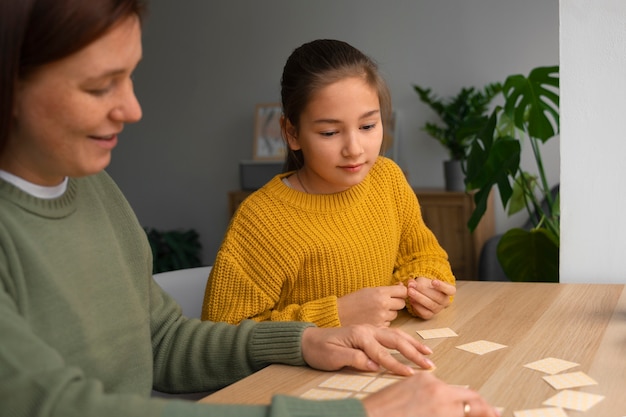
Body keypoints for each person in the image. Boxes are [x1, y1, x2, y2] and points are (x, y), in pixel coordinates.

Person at [0, 1, 503, 417]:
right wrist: (364, 412)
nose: (133, 109)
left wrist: (306, 341)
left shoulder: (97, 191)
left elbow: (163, 344)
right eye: (98, 85)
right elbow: (57, 405)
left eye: (130, 77)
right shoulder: (264, 217)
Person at [202, 39, 457, 328]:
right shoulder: (261, 220)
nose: (354, 148)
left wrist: (422, 288)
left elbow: (425, 255)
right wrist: (335, 316)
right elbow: (222, 337)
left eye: (367, 126)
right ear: (292, 133)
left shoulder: (388, 179)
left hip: (381, 361)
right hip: (300, 375)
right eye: (330, 132)